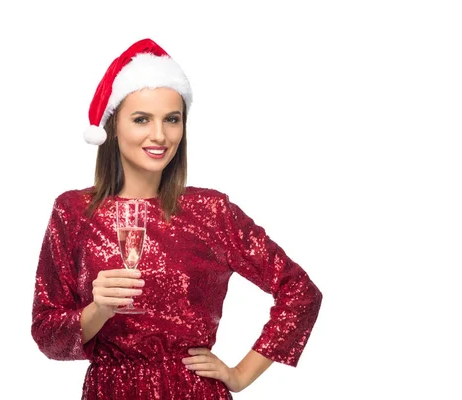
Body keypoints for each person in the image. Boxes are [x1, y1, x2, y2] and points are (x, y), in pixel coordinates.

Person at [31, 38, 322, 399]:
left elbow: (300, 291)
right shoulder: (74, 212)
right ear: (113, 125)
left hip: (192, 390)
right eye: (141, 119)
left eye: (172, 119)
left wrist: (241, 374)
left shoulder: (211, 212)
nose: (159, 135)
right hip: (110, 390)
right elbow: (48, 337)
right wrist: (98, 310)